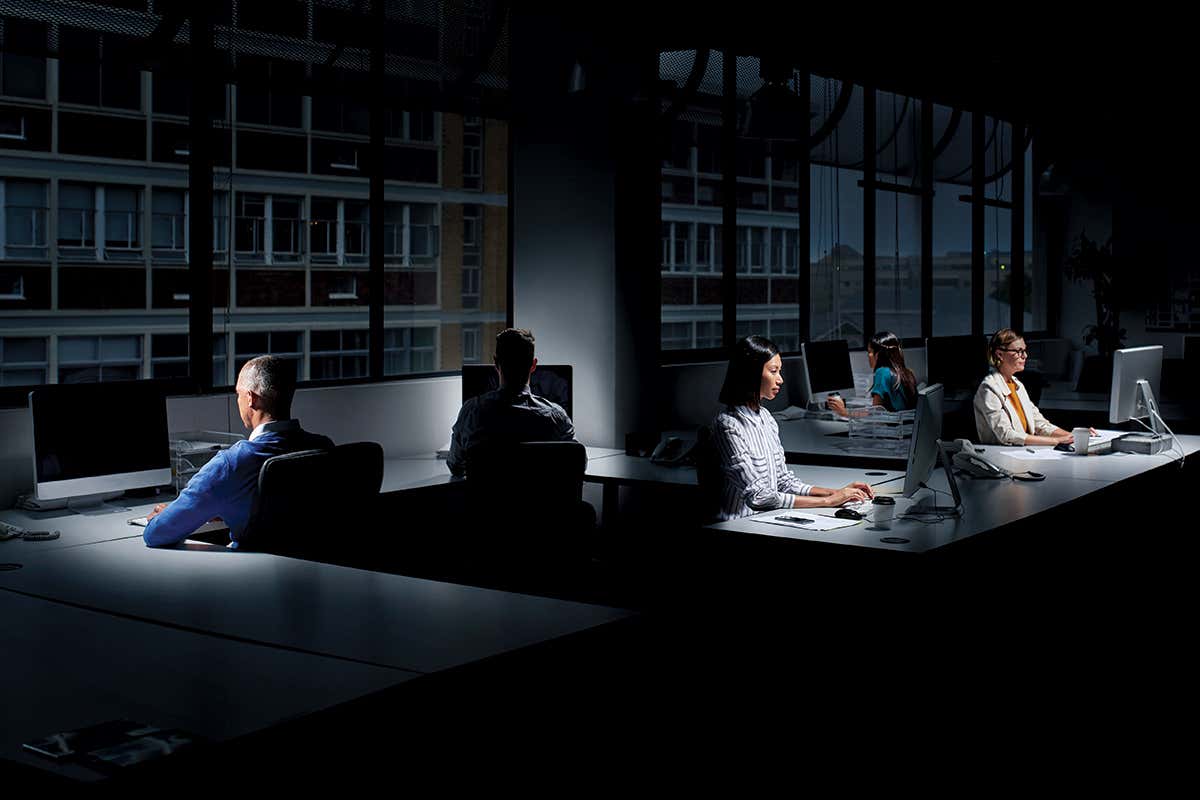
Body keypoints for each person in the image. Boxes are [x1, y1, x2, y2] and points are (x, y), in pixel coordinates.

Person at [143, 356, 333, 548]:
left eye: (238, 394)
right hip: (312, 569)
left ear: (251, 398)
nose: (238, 400)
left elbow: (156, 534)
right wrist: (228, 508)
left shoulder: (231, 464)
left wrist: (165, 516)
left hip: (252, 574)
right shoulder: (323, 447)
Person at [711, 335, 874, 521]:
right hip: (740, 525)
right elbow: (758, 497)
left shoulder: (766, 418)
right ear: (752, 372)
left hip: (767, 520)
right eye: (773, 371)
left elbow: (783, 482)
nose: (780, 379)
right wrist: (829, 502)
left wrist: (837, 493)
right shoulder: (728, 424)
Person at [447, 328, 577, 477]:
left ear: (496, 363)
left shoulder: (472, 412)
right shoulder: (557, 417)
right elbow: (578, 462)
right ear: (533, 365)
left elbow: (455, 466)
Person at [974, 328, 1090, 446]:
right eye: (1019, 351)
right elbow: (1007, 435)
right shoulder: (988, 389)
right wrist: (1056, 441)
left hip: (1022, 452)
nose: (1025, 355)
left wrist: (1076, 436)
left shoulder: (1017, 385)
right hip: (1000, 456)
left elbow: (1040, 424)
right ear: (1000, 354)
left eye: (1024, 350)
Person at [826, 331, 917, 417]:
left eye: (869, 351)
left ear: (878, 354)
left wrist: (844, 412)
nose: (868, 355)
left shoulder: (882, 372)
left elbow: (873, 414)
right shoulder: (908, 373)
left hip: (892, 431)